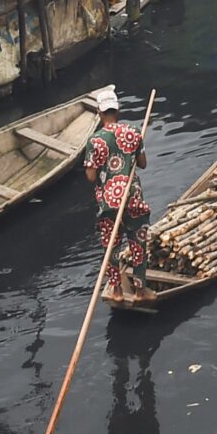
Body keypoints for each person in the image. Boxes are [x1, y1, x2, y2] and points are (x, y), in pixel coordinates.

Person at [82, 89, 155, 302]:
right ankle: (141, 291)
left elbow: (90, 176)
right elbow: (142, 164)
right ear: (118, 111)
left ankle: (116, 291)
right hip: (132, 197)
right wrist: (128, 159)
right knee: (137, 241)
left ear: (99, 112)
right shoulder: (133, 132)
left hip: (108, 201)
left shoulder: (94, 141)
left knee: (111, 246)